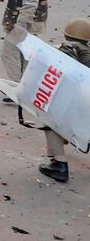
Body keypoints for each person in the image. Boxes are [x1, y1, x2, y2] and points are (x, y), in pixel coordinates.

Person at [37, 17, 90, 183]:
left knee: (50, 119)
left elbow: (69, 73)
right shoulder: (87, 50)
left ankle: (58, 164)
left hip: (82, 99)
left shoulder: (69, 47)